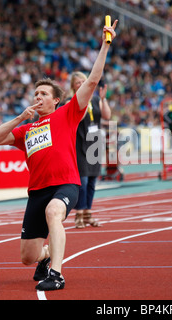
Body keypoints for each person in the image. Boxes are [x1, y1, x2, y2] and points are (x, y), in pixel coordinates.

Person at [0, 20, 118, 290]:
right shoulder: (26, 129)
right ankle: (45, 258)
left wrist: (106, 44)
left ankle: (56, 274)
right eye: (35, 93)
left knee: (54, 211)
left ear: (56, 99)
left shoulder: (67, 113)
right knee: (27, 256)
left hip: (66, 183)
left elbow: (93, 81)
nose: (38, 97)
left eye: (43, 93)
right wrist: (19, 117)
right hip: (37, 190)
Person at [66, 72, 111, 228]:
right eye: (78, 83)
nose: (81, 84)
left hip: (95, 144)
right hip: (79, 144)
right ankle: (79, 214)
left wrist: (103, 99)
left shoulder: (96, 99)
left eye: (83, 81)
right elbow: (78, 116)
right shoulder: (71, 101)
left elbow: (107, 115)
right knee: (82, 181)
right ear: (73, 86)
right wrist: (84, 99)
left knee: (92, 181)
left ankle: (88, 214)